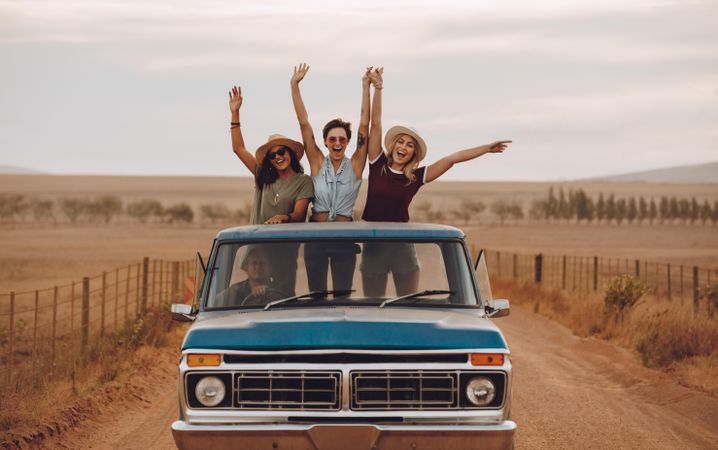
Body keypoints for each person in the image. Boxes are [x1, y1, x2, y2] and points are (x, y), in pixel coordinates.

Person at [360, 69, 512, 297]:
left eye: (410, 145)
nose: (403, 147)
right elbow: (375, 125)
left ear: (414, 153)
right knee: (373, 305)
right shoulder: (377, 163)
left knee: (408, 304)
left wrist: (486, 149)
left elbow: (452, 159)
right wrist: (375, 89)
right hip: (373, 243)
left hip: (402, 245)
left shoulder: (415, 177)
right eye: (400, 142)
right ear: (393, 146)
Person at [289, 64, 372, 293]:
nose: (337, 143)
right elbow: (304, 123)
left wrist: (366, 87)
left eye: (342, 140)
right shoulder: (317, 162)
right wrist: (294, 85)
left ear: (347, 142)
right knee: (316, 294)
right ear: (325, 141)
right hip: (315, 234)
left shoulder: (355, 164)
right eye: (332, 139)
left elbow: (365, 125)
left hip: (344, 236)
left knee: (342, 294)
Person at [228, 85, 314, 293]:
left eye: (282, 152)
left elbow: (299, 215)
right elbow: (238, 149)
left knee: (282, 298)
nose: (277, 157)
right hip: (258, 250)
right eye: (272, 155)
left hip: (284, 252)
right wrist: (235, 113)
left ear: (291, 154)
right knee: (252, 298)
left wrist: (284, 217)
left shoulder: (303, 182)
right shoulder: (263, 178)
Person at [214, 246, 283, 307]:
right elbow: (213, 303)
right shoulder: (234, 292)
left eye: (263, 263)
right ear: (246, 267)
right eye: (254, 263)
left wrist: (269, 293)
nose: (258, 266)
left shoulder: (281, 291)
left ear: (271, 267)